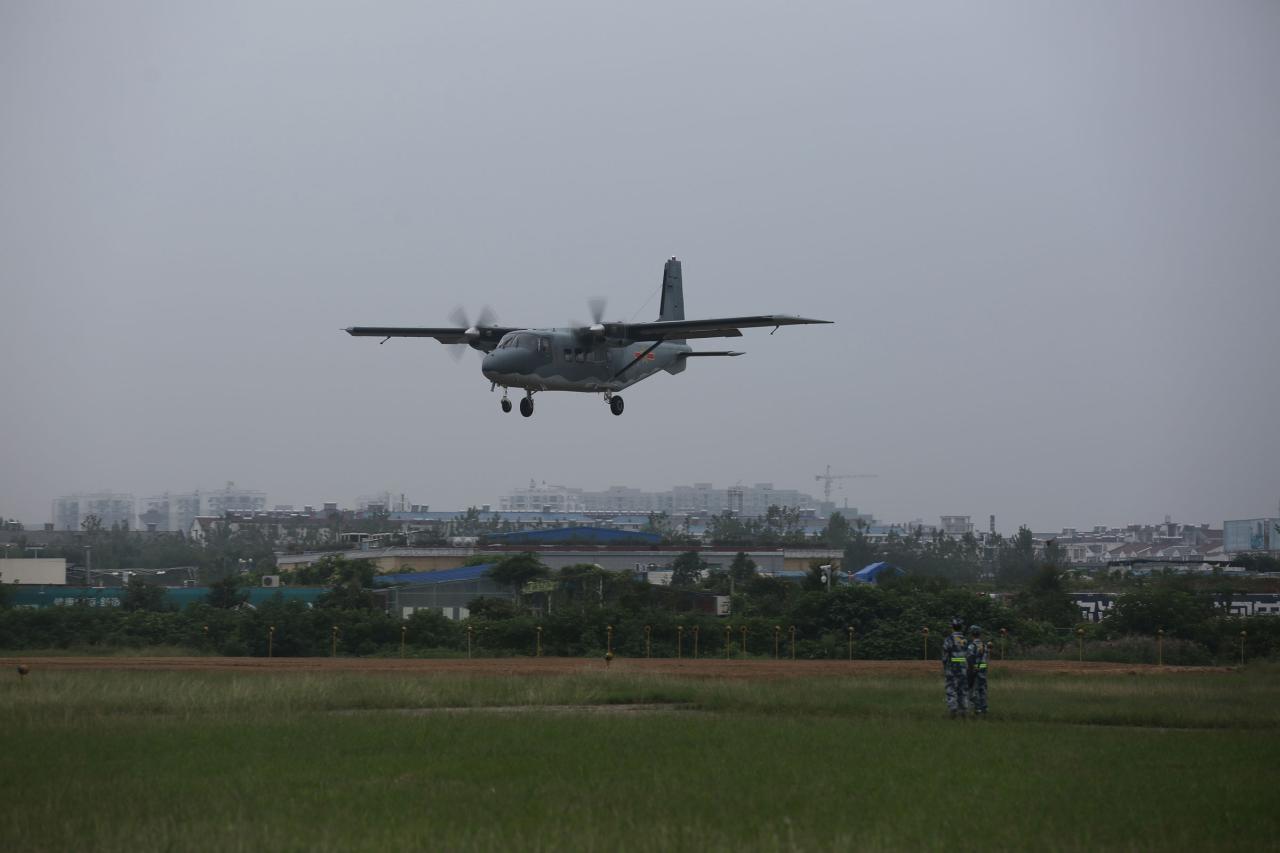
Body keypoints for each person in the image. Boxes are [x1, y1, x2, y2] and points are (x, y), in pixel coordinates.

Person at [941, 616, 969, 718]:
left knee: (951, 689)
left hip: (952, 668)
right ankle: (964, 711)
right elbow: (968, 655)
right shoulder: (964, 640)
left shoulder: (949, 639)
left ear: (952, 627)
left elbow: (945, 656)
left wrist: (945, 667)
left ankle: (953, 711)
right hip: (963, 669)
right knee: (963, 690)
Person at [967, 625, 989, 716]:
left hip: (975, 670)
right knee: (983, 689)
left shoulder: (972, 646)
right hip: (983, 670)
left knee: (974, 690)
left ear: (972, 634)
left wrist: (971, 670)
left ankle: (978, 709)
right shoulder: (984, 646)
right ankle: (984, 708)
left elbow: (970, 658)